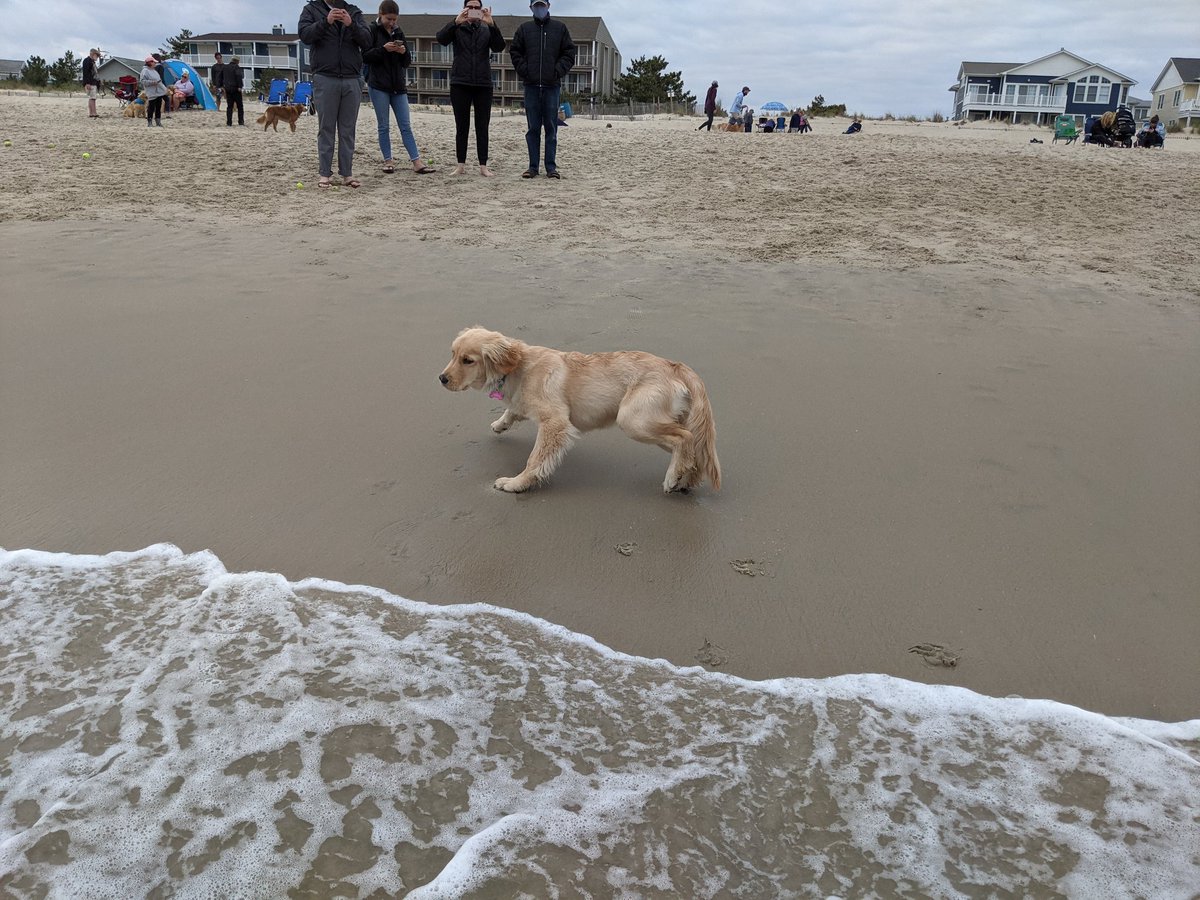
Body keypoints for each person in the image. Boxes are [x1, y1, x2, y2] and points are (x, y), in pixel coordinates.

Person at [299, 0, 373, 189]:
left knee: (348, 130)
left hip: (351, 78)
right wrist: (326, 21)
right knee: (326, 128)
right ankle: (325, 174)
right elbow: (305, 35)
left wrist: (351, 24)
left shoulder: (354, 11)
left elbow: (367, 41)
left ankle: (347, 174)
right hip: (325, 76)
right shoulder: (311, 9)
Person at [365, 0, 435, 175]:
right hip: (378, 85)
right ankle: (388, 161)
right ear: (380, 14)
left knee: (405, 125)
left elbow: (407, 62)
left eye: (395, 19)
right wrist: (383, 49)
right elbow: (365, 56)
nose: (392, 22)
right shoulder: (371, 30)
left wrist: (404, 52)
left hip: (398, 86)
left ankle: (417, 161)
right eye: (389, 19)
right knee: (384, 126)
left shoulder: (398, 31)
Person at [437, 0, 505, 177]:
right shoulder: (457, 27)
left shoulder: (486, 28)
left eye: (477, 7)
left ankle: (483, 166)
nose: (474, 11)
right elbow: (441, 39)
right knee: (462, 126)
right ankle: (460, 165)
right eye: (470, 7)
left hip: (483, 83)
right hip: (460, 83)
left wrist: (492, 24)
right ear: (465, 8)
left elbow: (499, 46)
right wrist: (455, 22)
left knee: (482, 126)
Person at [509, 0, 576, 179]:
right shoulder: (524, 29)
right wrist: (526, 71)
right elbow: (515, 52)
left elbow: (569, 54)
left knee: (552, 128)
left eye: (542, 5)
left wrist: (557, 71)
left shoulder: (560, 28)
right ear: (531, 7)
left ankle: (551, 167)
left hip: (551, 86)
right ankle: (532, 167)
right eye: (536, 5)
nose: (540, 8)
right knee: (533, 129)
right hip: (531, 87)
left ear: (548, 6)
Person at [139, 55, 168, 127]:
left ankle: (158, 121)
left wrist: (164, 89)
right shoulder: (145, 71)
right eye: (154, 62)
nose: (155, 63)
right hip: (152, 92)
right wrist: (152, 82)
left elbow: (159, 81)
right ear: (150, 63)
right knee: (151, 107)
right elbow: (142, 81)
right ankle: (149, 122)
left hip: (159, 92)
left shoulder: (154, 71)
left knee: (158, 107)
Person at [221, 56, 245, 126]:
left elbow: (221, 77)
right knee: (240, 106)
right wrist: (240, 86)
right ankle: (240, 121)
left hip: (228, 89)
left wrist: (222, 86)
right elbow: (238, 77)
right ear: (237, 61)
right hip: (236, 89)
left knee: (229, 106)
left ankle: (229, 122)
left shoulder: (225, 67)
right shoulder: (236, 67)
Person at [83, 49, 101, 118]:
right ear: (92, 54)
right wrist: (87, 83)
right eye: (96, 55)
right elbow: (86, 73)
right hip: (90, 83)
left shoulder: (92, 62)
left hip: (93, 82)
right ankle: (93, 113)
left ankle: (92, 113)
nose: (97, 57)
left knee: (92, 98)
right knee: (92, 98)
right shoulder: (87, 61)